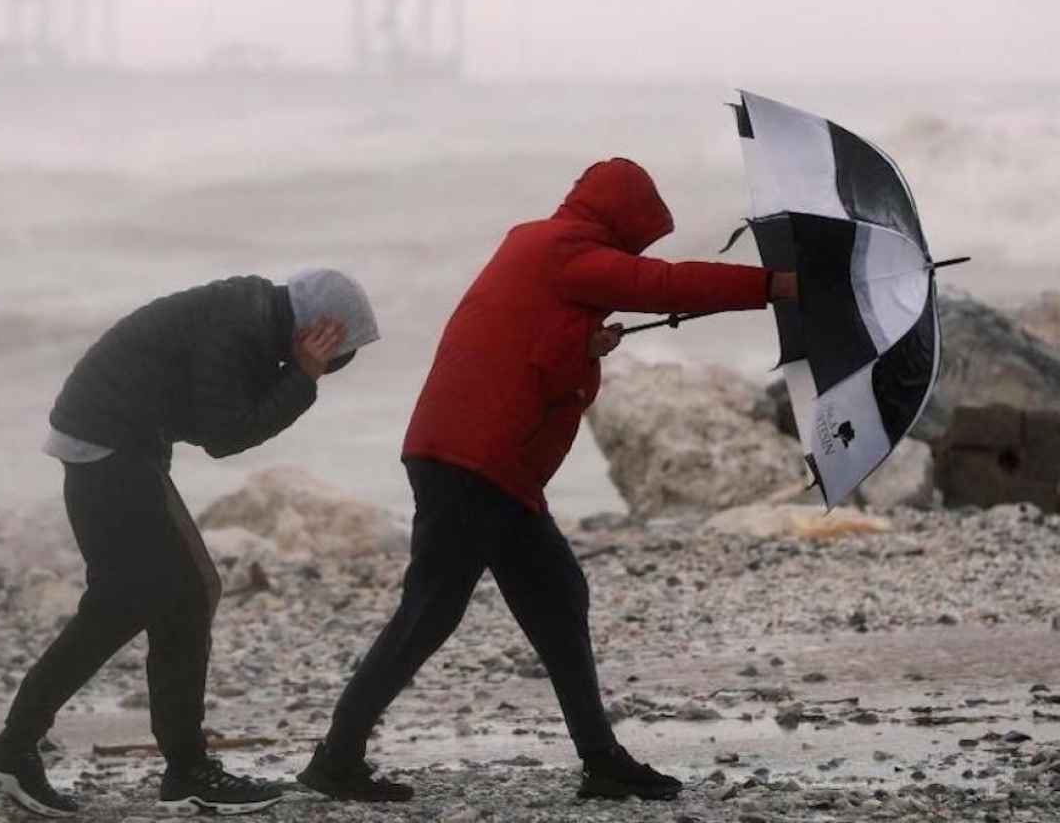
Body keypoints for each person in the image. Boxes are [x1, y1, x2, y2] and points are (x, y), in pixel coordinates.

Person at [296, 158, 798, 803]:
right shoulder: (562, 248)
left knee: (557, 598)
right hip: (471, 461)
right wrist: (775, 284)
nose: (637, 247)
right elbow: (665, 284)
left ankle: (603, 761)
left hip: (492, 466)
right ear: (622, 219)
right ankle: (335, 760)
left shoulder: (538, 247)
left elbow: (525, 346)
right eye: (638, 232)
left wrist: (581, 343)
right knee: (429, 611)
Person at [0, 270, 379, 818]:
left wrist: (294, 372)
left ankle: (42, 750)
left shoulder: (254, 318)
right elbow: (224, 435)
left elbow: (202, 411)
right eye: (336, 352)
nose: (335, 365)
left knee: (159, 598)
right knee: (177, 594)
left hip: (114, 444)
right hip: (108, 447)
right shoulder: (239, 325)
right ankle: (170, 768)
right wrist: (301, 378)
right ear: (319, 328)